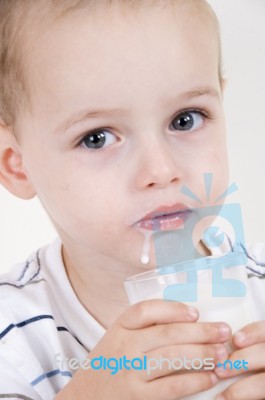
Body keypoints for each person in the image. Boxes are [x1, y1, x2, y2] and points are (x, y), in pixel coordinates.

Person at [0, 0, 264, 399]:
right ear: (18, 166)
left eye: (185, 119)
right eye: (97, 137)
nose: (161, 171)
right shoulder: (12, 339)